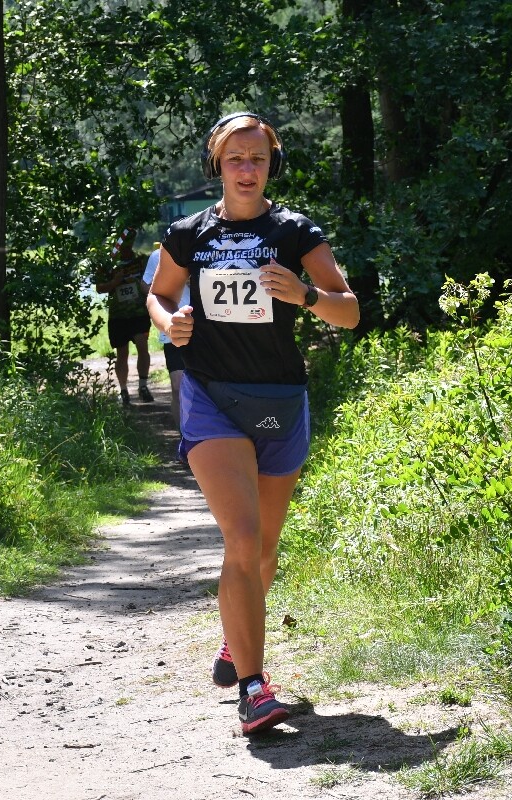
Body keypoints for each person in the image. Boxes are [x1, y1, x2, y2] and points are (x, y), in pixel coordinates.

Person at [146, 112, 359, 734]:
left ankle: (236, 639)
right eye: (236, 158)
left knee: (263, 549)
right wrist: (168, 324)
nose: (246, 169)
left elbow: (349, 313)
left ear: (270, 165)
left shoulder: (295, 232)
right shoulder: (187, 234)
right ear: (218, 163)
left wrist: (305, 296)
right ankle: (253, 687)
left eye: (257, 159)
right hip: (212, 396)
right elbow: (159, 294)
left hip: (280, 400)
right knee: (241, 539)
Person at [95, 227, 154, 405]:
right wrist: (115, 282)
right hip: (118, 316)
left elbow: (151, 280)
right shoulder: (107, 265)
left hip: (139, 313)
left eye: (129, 245)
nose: (125, 249)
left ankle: (143, 386)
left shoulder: (141, 261)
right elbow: (99, 288)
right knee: (122, 353)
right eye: (122, 246)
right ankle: (123, 391)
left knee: (143, 346)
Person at [141, 241, 189, 426]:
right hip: (174, 329)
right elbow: (145, 286)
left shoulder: (204, 251)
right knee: (178, 387)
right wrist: (171, 283)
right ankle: (183, 438)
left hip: (208, 329)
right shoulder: (158, 255)